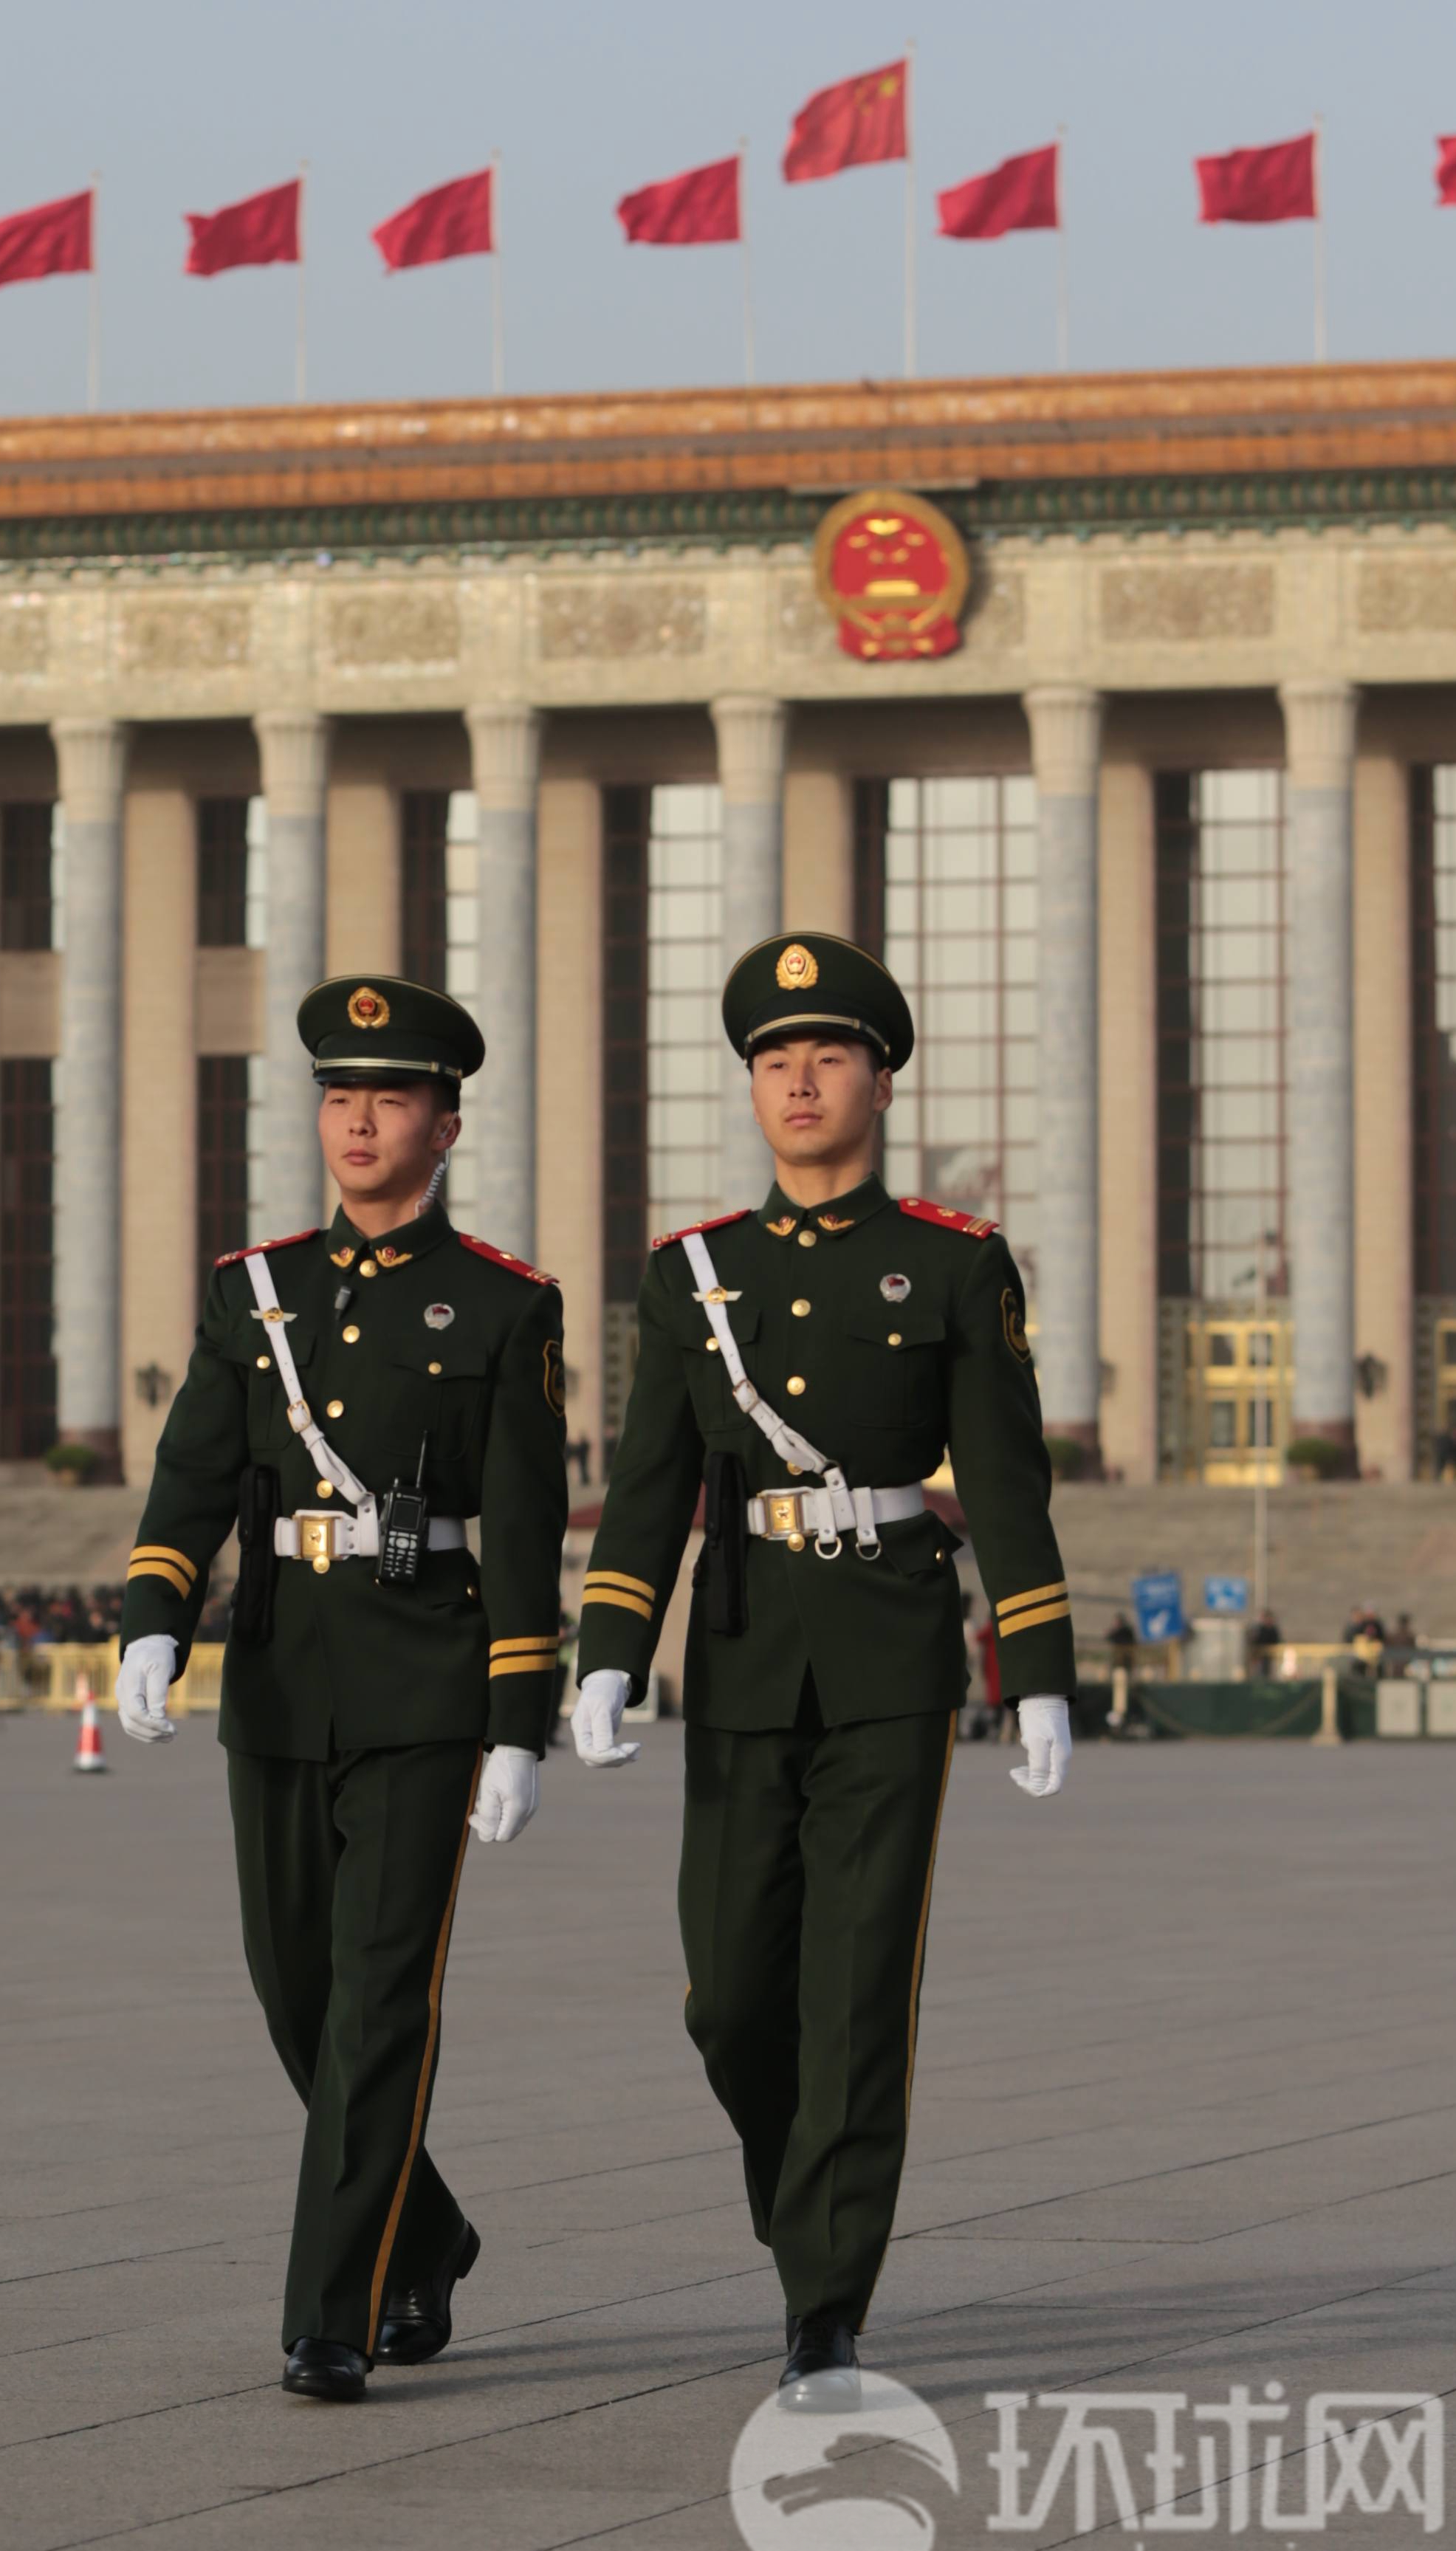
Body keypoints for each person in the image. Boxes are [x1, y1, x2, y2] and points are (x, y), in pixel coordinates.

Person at [569, 931, 1076, 2409]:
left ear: (877, 1080)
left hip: (888, 1652)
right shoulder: (691, 1274)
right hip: (735, 1650)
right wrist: (609, 1649)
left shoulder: (953, 1263)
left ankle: (824, 2293)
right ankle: (806, 2197)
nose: (797, 1079)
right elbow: (650, 1483)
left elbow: (1005, 1473)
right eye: (772, 1059)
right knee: (727, 1994)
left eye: (827, 1054)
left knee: (857, 1986)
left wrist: (1034, 1663)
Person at [114, 975, 568, 2406]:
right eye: (336, 1094)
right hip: (279, 1673)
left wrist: (517, 1721)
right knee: (291, 1994)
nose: (356, 1119)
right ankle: (426, 2228)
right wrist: (152, 1618)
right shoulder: (254, 1293)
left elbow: (522, 1523)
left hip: (426, 1680)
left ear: (444, 1121)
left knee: (377, 1999)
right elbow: (195, 1467)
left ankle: (334, 2309)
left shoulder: (502, 1304)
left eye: (387, 1097)